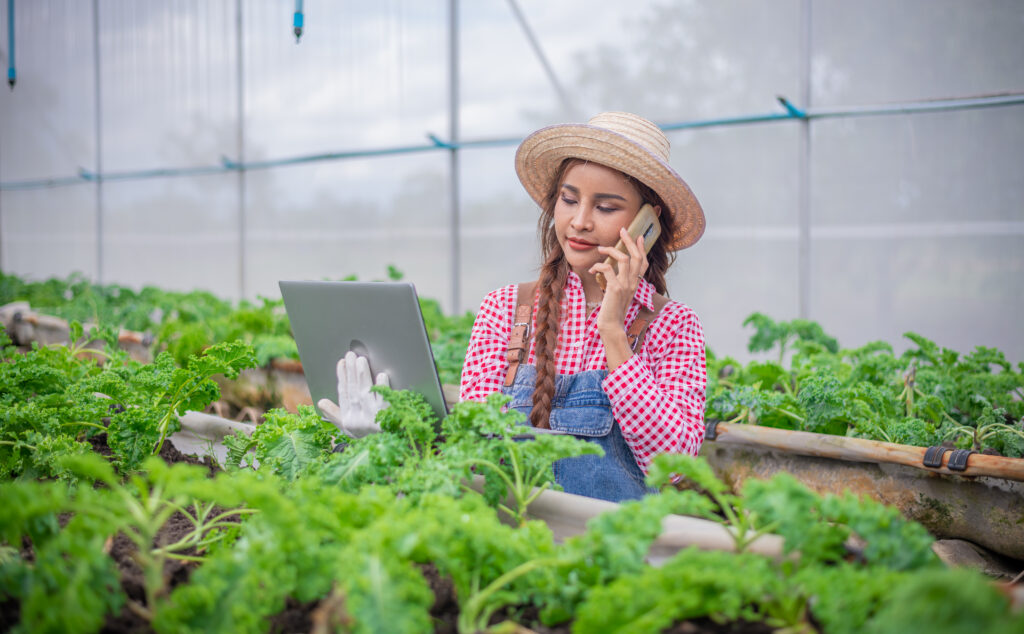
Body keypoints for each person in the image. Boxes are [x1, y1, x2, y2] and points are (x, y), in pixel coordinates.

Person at [458, 111, 708, 502]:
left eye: (605, 208)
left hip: (614, 555)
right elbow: (471, 452)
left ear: (648, 222)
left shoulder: (673, 325)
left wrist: (613, 330)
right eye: (569, 200)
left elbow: (674, 465)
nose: (579, 222)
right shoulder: (505, 309)